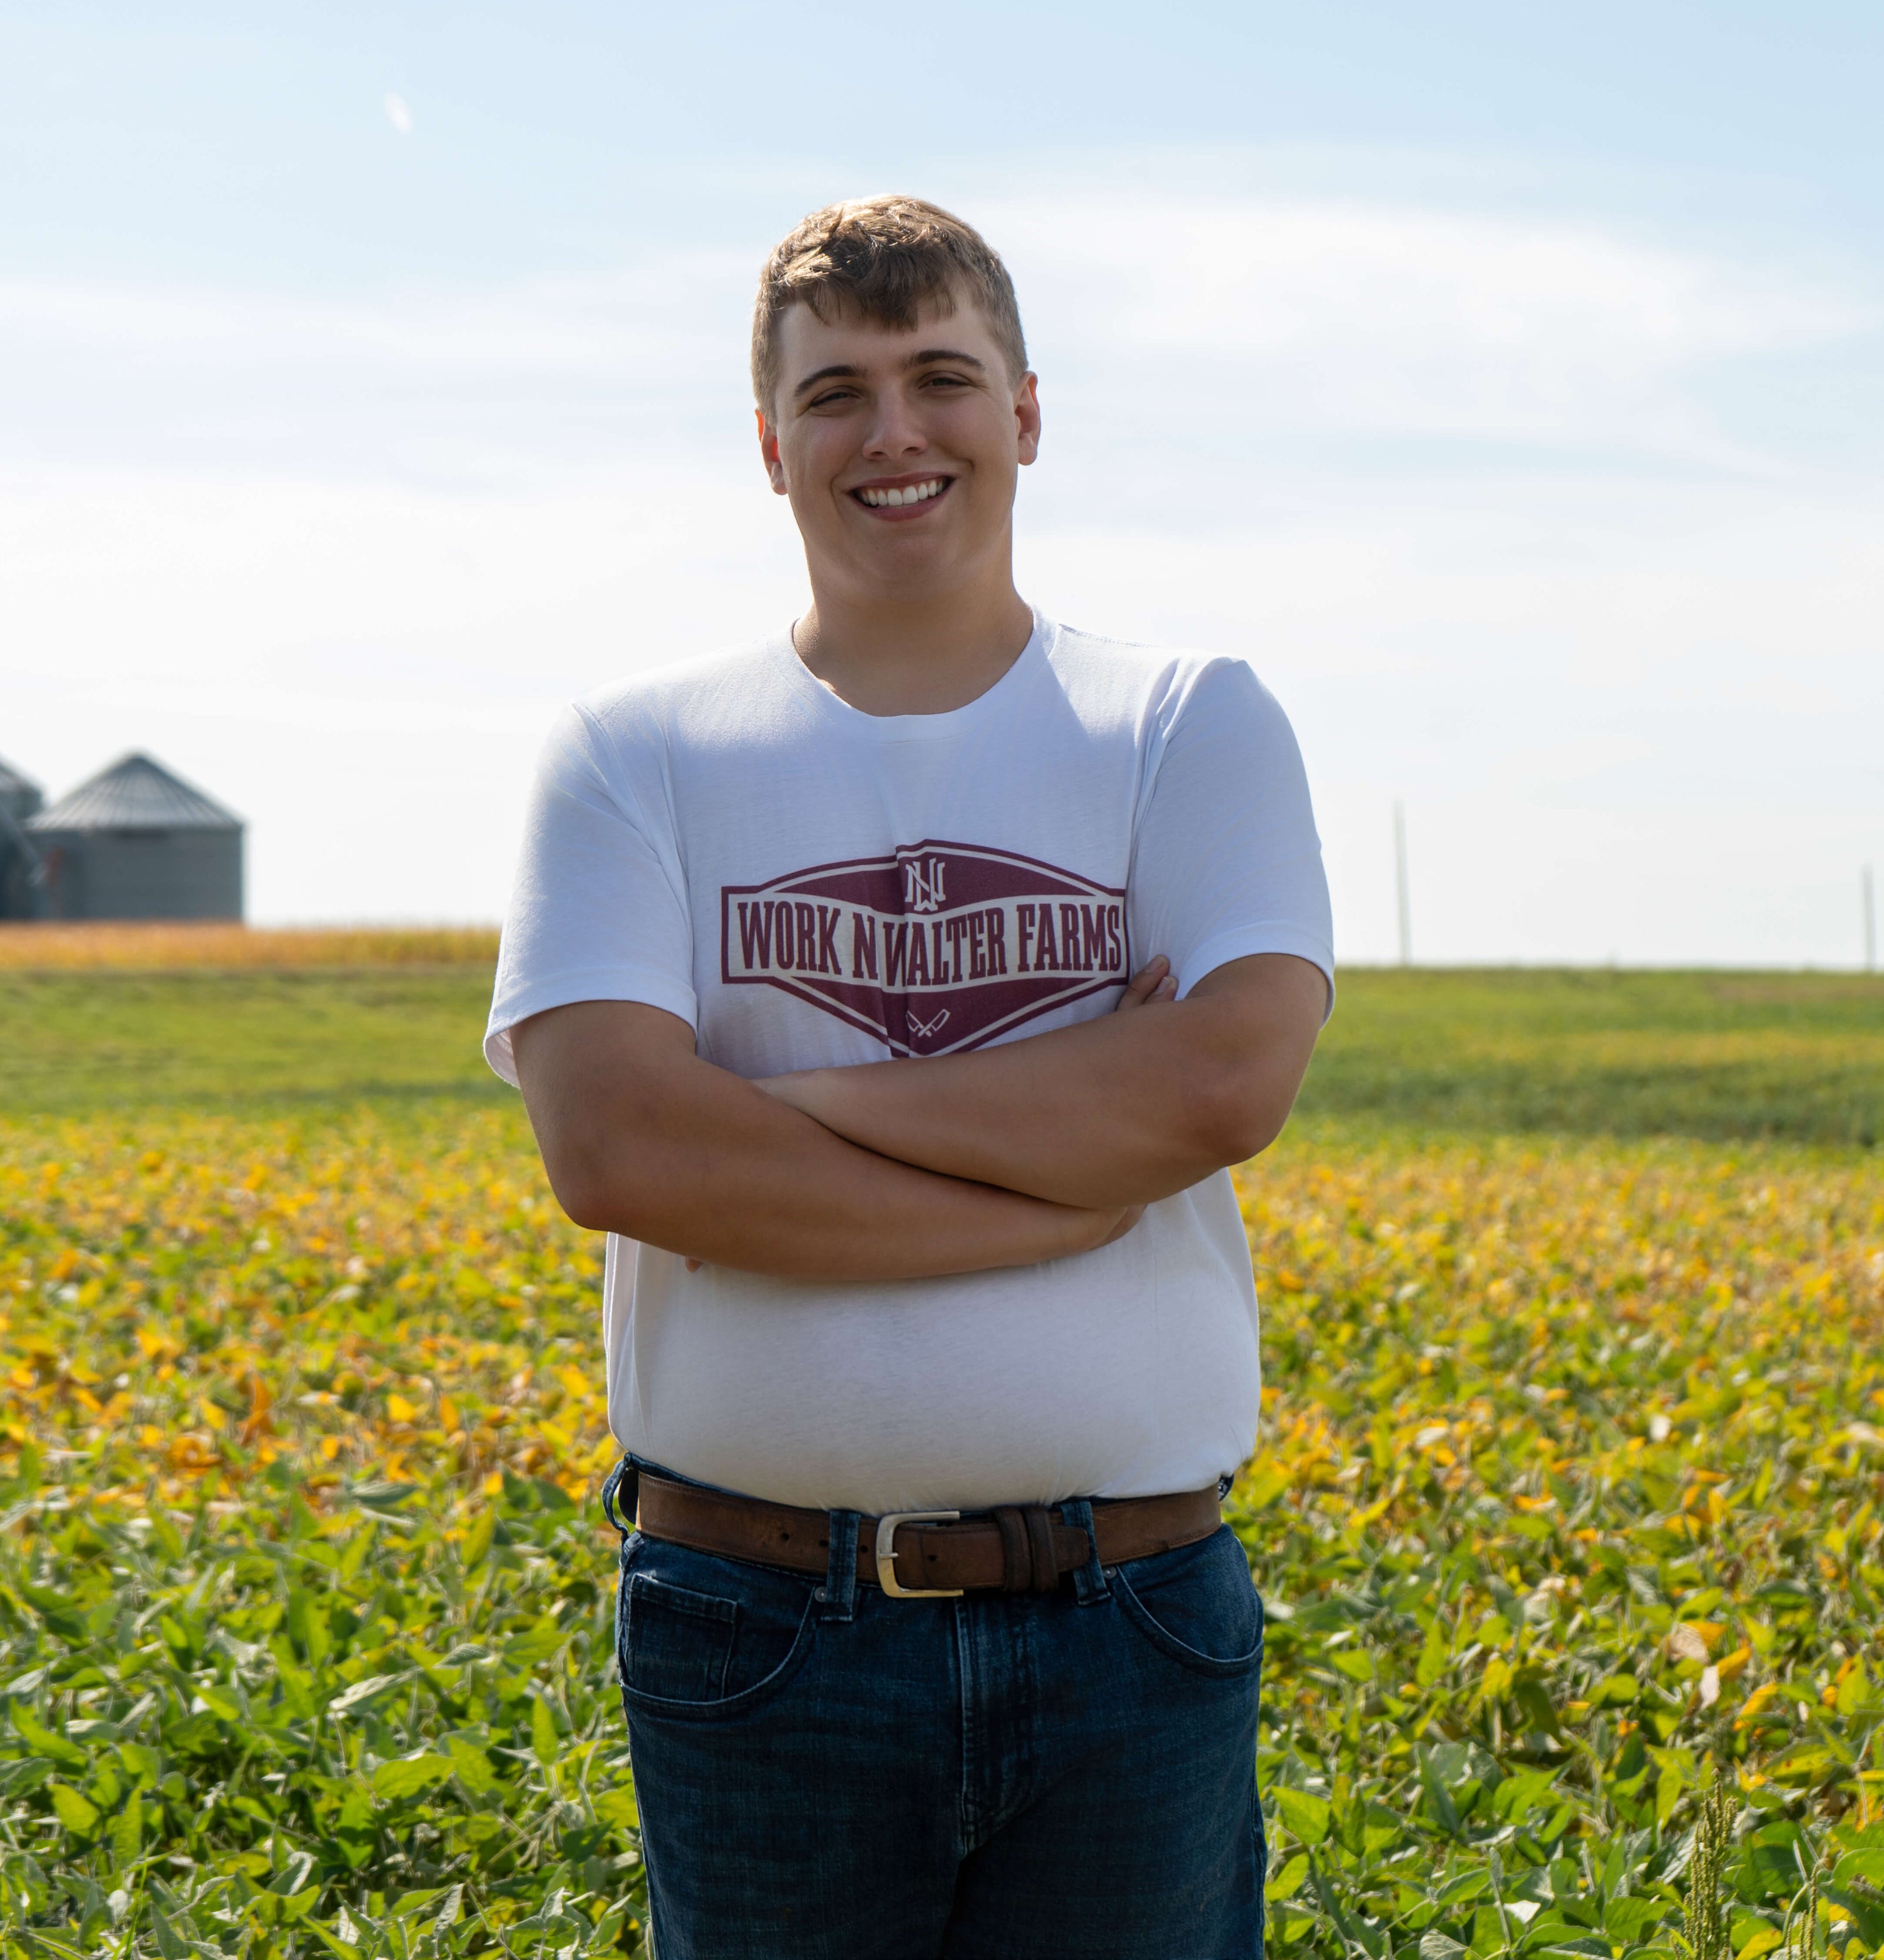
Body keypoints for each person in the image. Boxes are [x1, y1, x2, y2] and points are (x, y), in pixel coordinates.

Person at [485, 195, 1334, 1960]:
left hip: (1134, 1621)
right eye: (838, 392)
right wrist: (1065, 1177)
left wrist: (786, 1102)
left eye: (941, 377)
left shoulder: (1185, 720)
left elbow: (1222, 1082)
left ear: (1025, 410)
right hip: (759, 1617)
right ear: (769, 444)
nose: (896, 433)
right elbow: (623, 1144)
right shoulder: (632, 753)